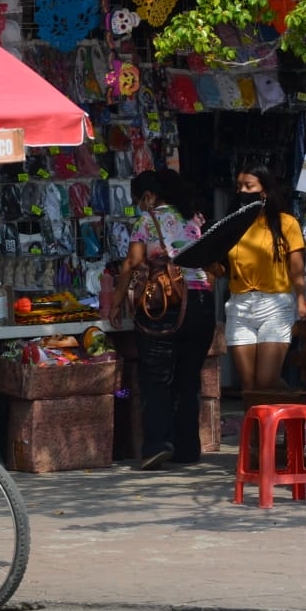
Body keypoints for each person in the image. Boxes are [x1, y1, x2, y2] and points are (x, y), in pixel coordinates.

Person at [109, 168, 218, 470]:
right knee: (188, 376)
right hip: (202, 301)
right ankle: (188, 448)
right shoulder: (195, 218)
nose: (140, 207)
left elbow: (132, 262)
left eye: (139, 200)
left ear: (150, 196)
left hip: (166, 302)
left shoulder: (147, 220)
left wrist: (116, 303)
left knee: (155, 377)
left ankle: (158, 444)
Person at [221, 163, 306, 392]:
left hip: (275, 304)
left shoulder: (286, 223)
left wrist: (301, 301)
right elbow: (221, 266)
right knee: (249, 385)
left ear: (265, 191)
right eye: (239, 186)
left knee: (265, 381)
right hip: (239, 305)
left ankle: (293, 402)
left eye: (248, 185)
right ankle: (256, 428)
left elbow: (296, 267)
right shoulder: (231, 223)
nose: (242, 191)